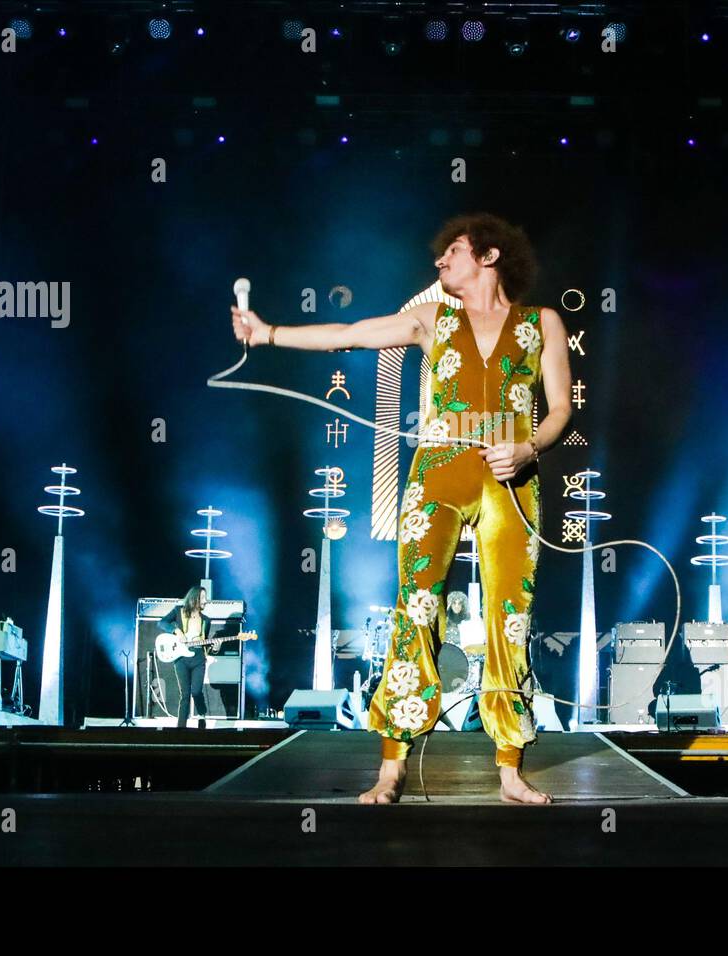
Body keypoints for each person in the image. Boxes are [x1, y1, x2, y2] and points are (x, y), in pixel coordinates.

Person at [231, 213, 572, 803]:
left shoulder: (540, 323)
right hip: (437, 472)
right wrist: (269, 334)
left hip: (510, 481)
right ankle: (390, 767)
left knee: (507, 619)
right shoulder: (430, 318)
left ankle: (510, 769)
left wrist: (528, 446)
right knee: (416, 607)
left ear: (489, 256)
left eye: (454, 252)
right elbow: (353, 333)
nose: (440, 262)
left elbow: (562, 409)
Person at [158, 585, 222, 728]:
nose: (206, 601)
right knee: (185, 695)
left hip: (199, 658)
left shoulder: (206, 620)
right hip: (181, 659)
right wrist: (176, 631)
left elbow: (206, 645)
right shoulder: (178, 611)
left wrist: (215, 647)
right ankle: (180, 729)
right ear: (194, 598)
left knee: (196, 691)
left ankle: (201, 714)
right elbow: (161, 622)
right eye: (203, 597)